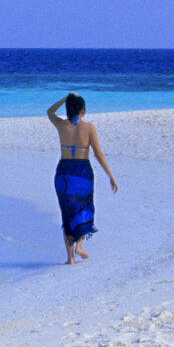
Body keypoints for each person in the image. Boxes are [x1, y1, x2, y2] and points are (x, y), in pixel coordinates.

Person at [47, 92, 118, 264]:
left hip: (64, 171)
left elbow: (50, 111)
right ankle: (80, 246)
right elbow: (99, 154)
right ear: (83, 110)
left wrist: (66, 98)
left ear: (69, 108)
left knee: (67, 212)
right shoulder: (89, 128)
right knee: (85, 207)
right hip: (82, 172)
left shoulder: (62, 125)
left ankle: (70, 258)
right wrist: (111, 175)